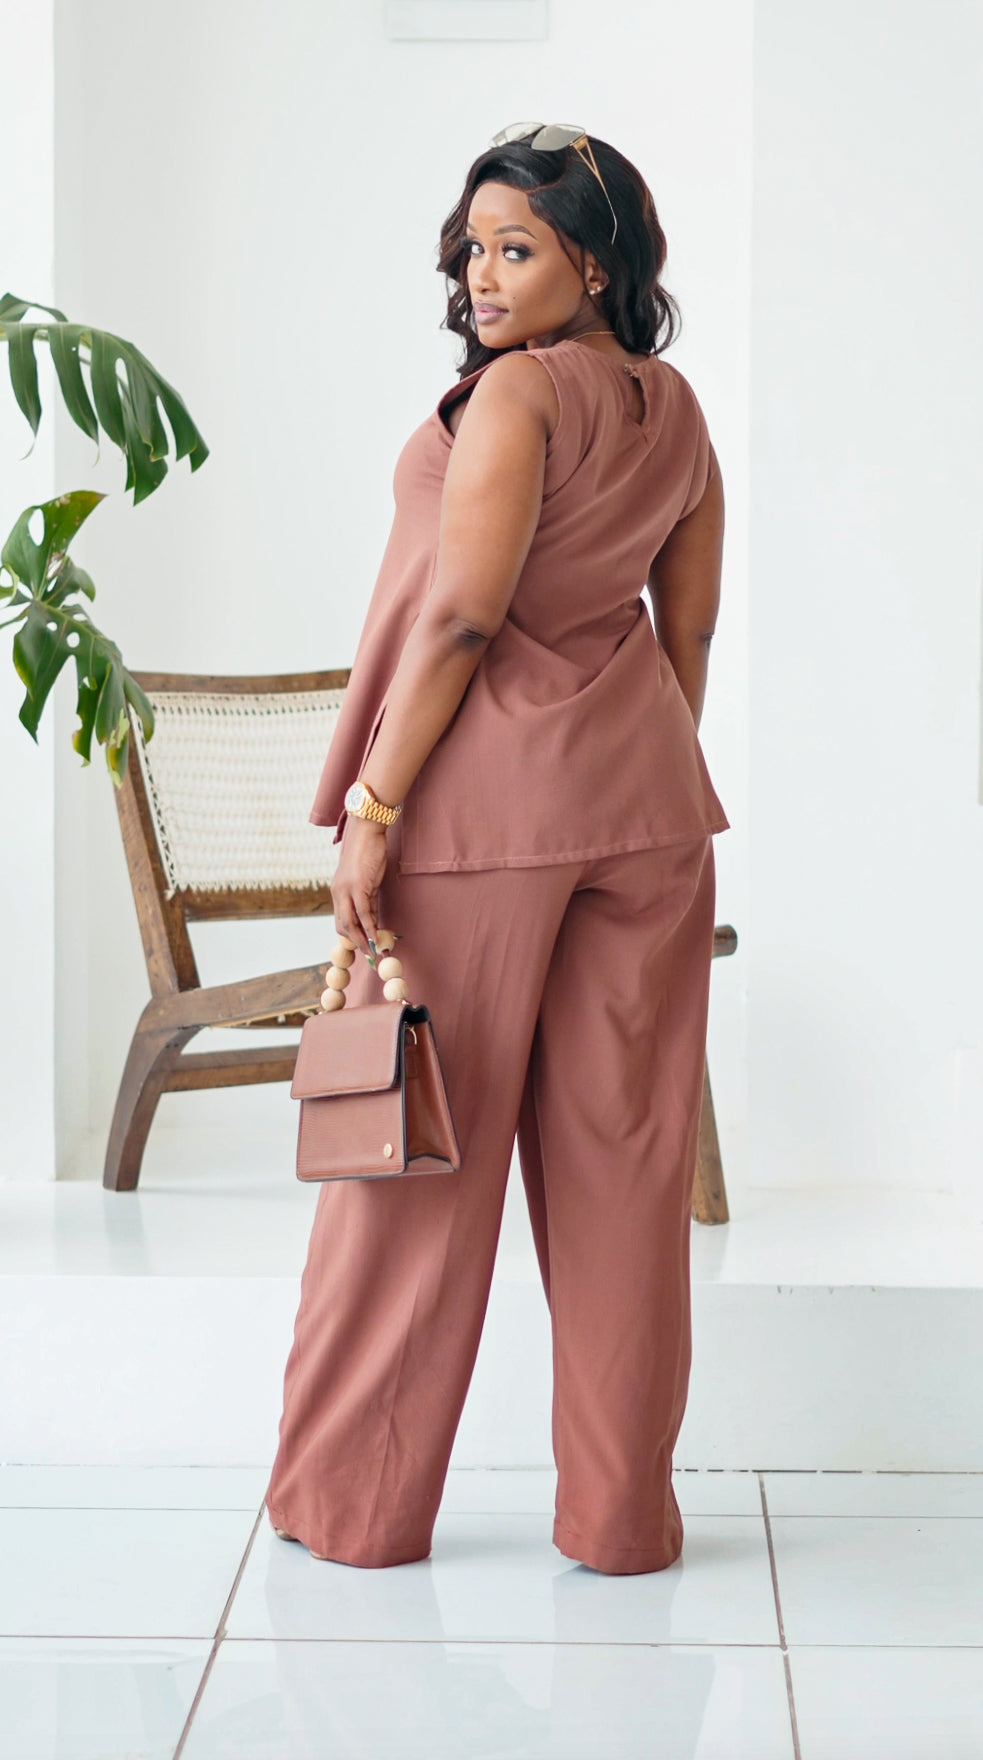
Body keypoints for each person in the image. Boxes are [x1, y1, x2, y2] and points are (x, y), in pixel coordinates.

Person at [265, 123, 730, 1575]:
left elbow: (462, 616)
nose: (480, 274)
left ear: (596, 262)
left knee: (414, 1173)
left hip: (477, 823)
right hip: (649, 817)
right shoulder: (676, 409)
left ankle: (355, 1509)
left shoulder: (518, 394)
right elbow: (689, 633)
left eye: (516, 247)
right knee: (627, 1178)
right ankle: (621, 1523)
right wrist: (630, 765)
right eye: (471, 248)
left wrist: (376, 812)